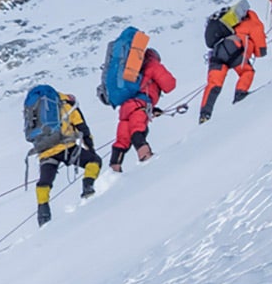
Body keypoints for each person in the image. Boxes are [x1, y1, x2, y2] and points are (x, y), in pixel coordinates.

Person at [33, 93, 102, 225]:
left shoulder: (38, 108)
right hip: (66, 147)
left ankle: (43, 214)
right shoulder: (67, 105)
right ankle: (87, 188)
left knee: (44, 182)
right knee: (94, 161)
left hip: (45, 152)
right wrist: (91, 149)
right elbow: (82, 128)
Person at [107, 42, 177, 166]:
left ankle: (114, 168)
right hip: (139, 105)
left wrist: (153, 109)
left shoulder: (133, 70)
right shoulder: (153, 65)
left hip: (126, 107)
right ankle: (146, 157)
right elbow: (169, 85)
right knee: (138, 130)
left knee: (122, 140)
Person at [200, 0, 269, 121]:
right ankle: (240, 94)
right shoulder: (253, 23)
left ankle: (204, 114)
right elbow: (261, 51)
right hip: (234, 49)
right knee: (247, 72)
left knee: (214, 84)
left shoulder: (228, 23)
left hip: (216, 51)